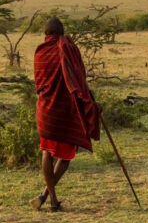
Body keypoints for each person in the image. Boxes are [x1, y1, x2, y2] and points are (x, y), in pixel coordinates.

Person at [30, 17, 101, 212]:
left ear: (46, 34)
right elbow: (76, 78)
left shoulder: (40, 51)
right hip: (62, 110)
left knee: (47, 151)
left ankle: (47, 196)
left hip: (44, 109)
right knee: (66, 156)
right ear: (61, 33)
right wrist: (88, 98)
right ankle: (51, 199)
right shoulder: (65, 48)